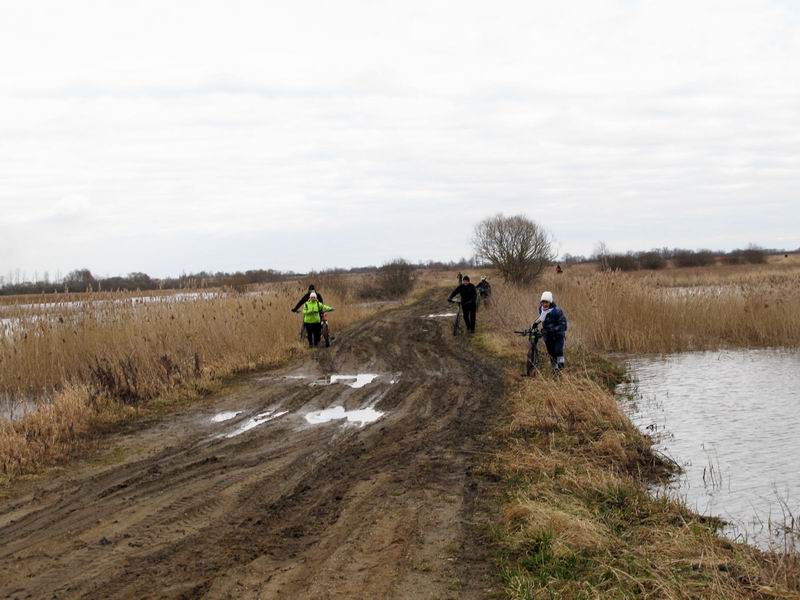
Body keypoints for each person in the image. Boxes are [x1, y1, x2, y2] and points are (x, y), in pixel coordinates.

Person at [532, 290, 567, 372]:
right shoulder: (541, 309)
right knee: (551, 353)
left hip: (558, 335)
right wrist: (535, 324)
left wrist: (553, 330)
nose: (544, 304)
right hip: (547, 335)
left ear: (550, 302)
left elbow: (563, 325)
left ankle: (561, 369)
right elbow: (542, 317)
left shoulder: (557, 311)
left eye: (546, 302)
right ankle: (555, 369)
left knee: (558, 352)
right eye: (543, 302)